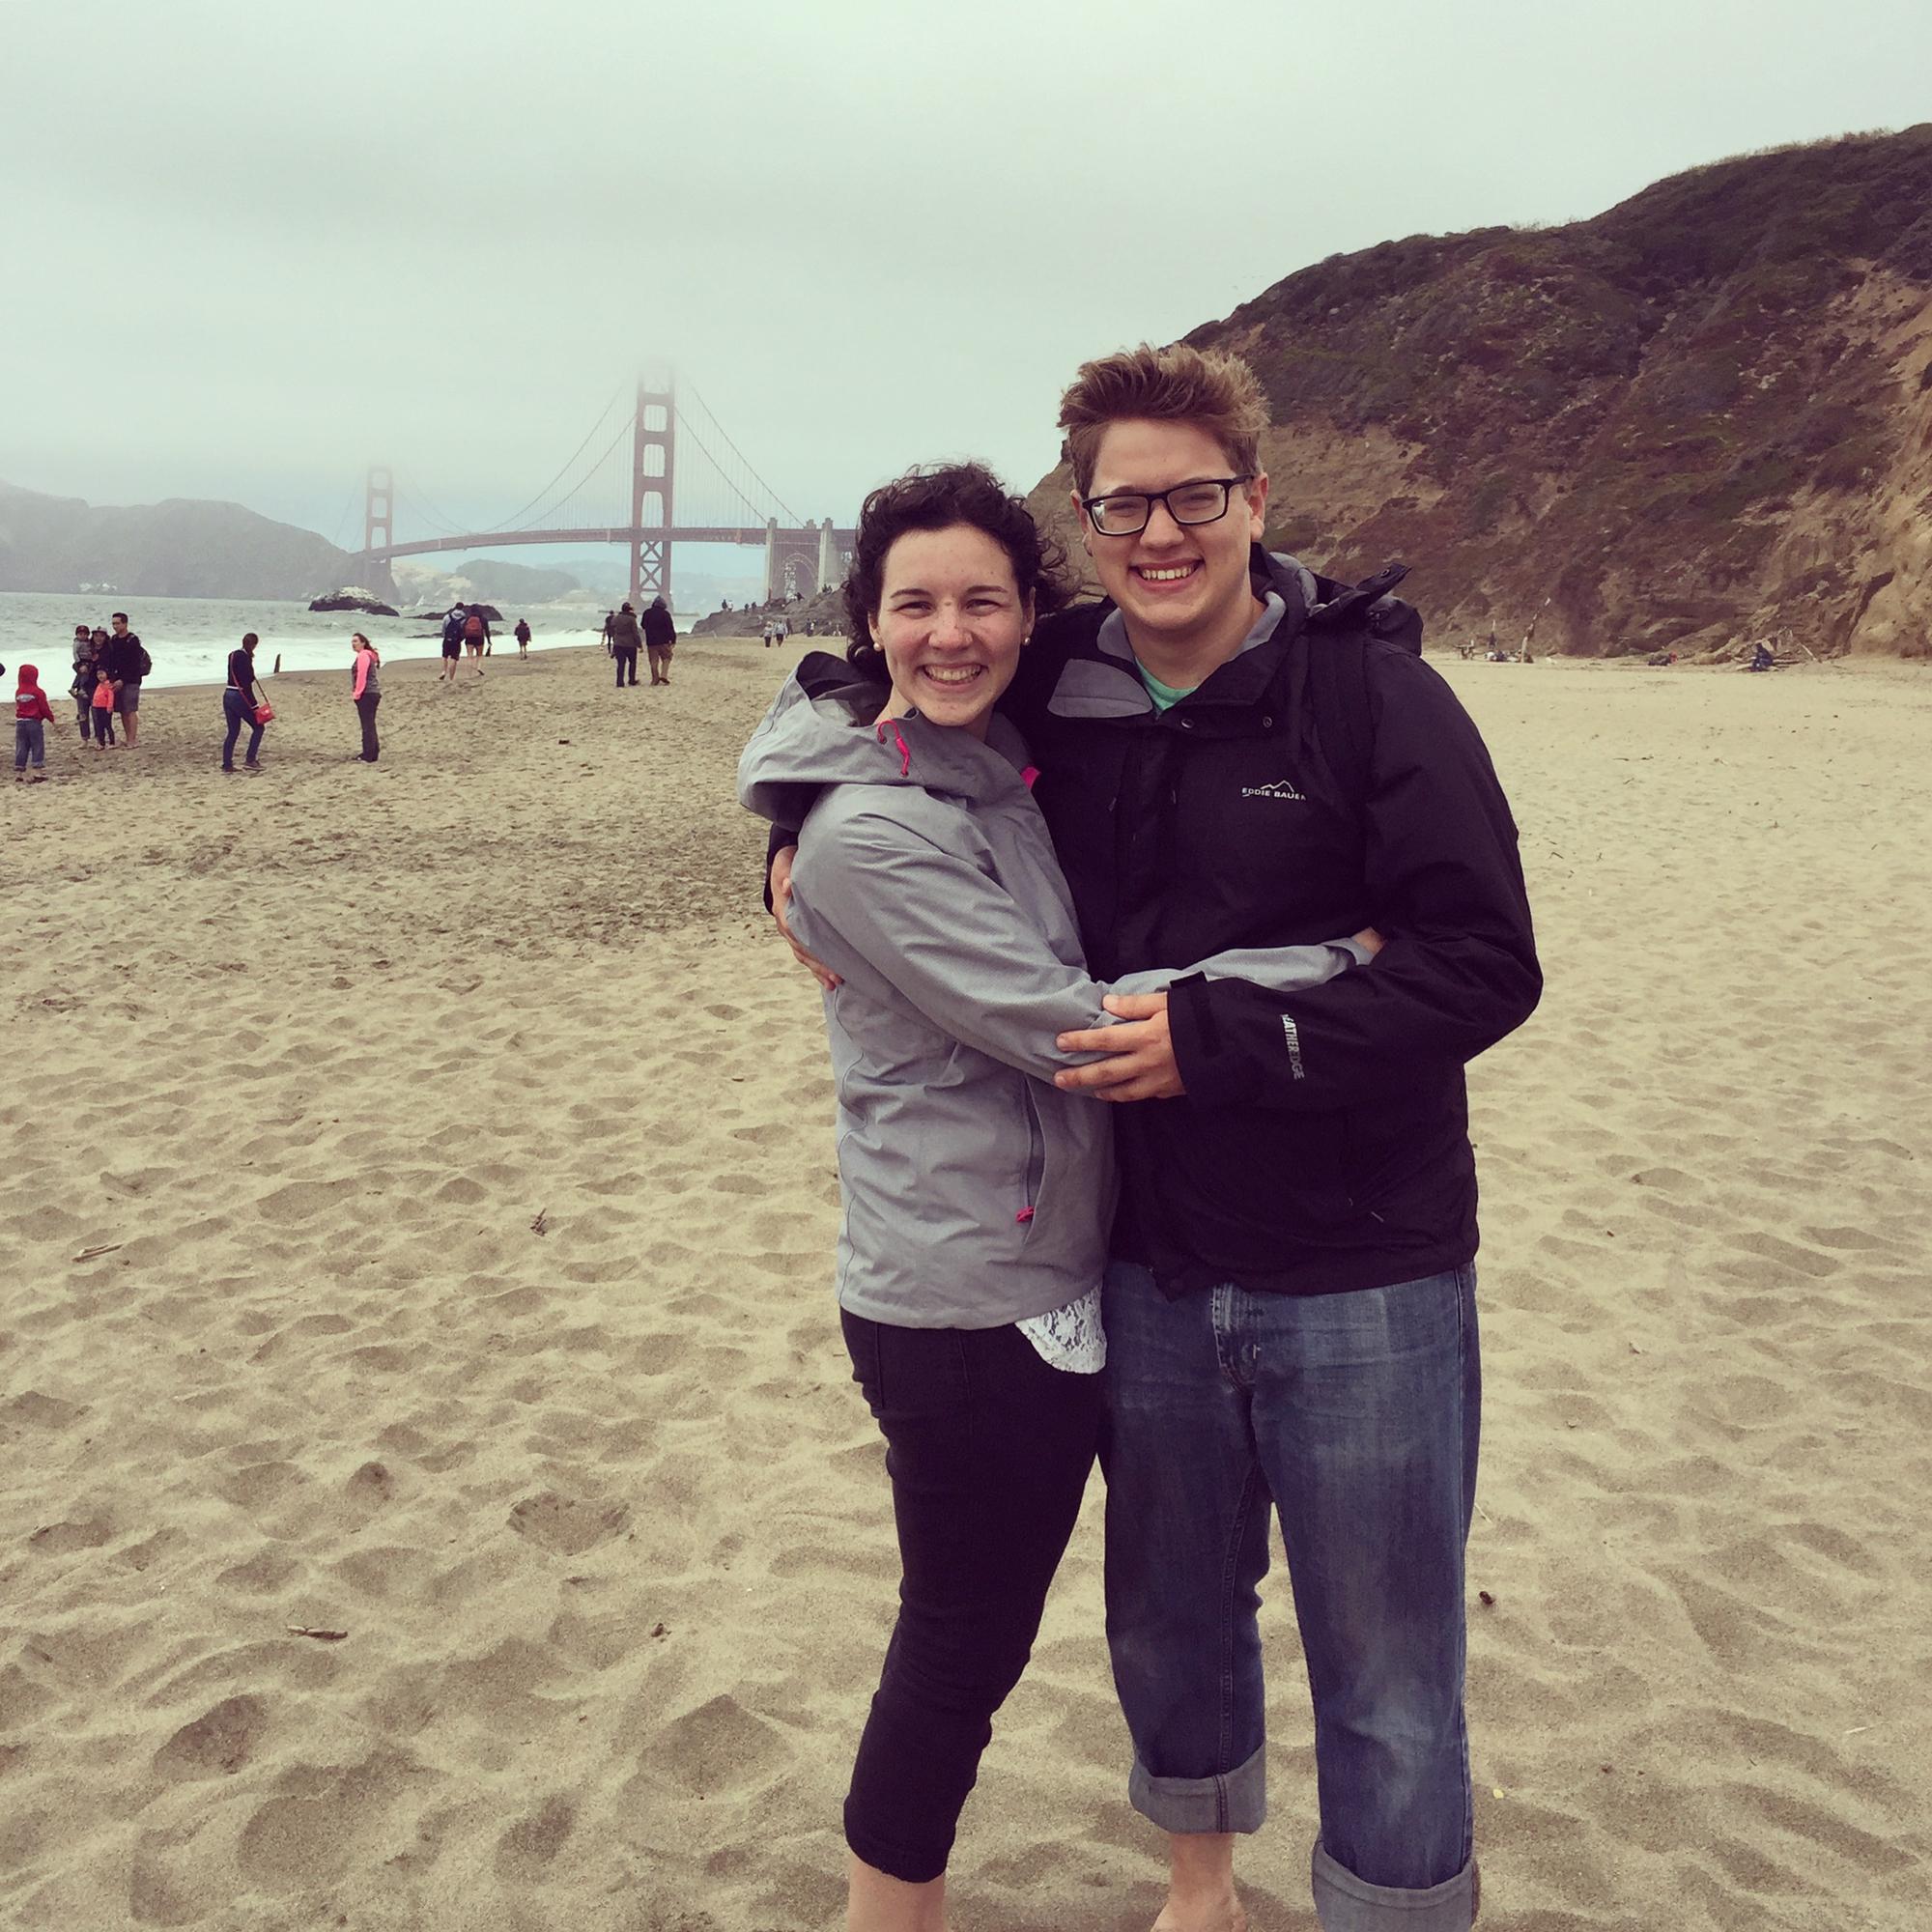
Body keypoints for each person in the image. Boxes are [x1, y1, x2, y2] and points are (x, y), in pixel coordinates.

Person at [771, 345, 1540, 1932]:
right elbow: (868, 699)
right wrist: (786, 856)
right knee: (1174, 1625)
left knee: (1392, 1675)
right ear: (1090, 519)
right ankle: (1202, 1892)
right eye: (1127, 502)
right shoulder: (1059, 674)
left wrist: (1231, 1032)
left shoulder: (1376, 692)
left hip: (1368, 1267)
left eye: (1198, 495)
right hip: (1150, 1267)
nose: (1163, 531)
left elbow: (1483, 967)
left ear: (1255, 500)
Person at [221, 632, 268, 773]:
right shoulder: (245, 658)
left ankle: (227, 764)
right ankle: (250, 760)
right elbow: (247, 684)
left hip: (228, 694)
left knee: (233, 731)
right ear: (254, 645)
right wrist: (255, 706)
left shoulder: (232, 655)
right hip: (239, 696)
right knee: (259, 727)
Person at [101, 612, 148, 747]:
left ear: (125, 624)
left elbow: (134, 664)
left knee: (131, 709)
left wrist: (123, 680)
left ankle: (133, 739)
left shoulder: (132, 640)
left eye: (117, 623)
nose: (115, 626)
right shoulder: (113, 640)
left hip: (132, 680)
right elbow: (111, 660)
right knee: (122, 710)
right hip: (117, 679)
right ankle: (128, 737)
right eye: (113, 623)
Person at [14, 664, 56, 781]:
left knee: (21, 746)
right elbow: (44, 708)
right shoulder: (38, 692)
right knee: (37, 746)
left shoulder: (19, 691)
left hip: (20, 722)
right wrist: (51, 718)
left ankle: (19, 773)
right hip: (34, 722)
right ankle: (37, 773)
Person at [350, 632, 382, 761]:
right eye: (352, 642)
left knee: (367, 725)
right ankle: (373, 752)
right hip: (372, 693)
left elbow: (362, 676)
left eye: (356, 641)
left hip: (367, 693)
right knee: (370, 724)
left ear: (363, 643)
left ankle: (368, 754)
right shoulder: (368, 655)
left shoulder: (363, 655)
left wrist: (357, 693)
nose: (353, 644)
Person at [71, 625, 99, 744]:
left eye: (85, 634)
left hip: (94, 686)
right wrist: (78, 664)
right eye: (80, 634)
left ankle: (99, 737)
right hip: (84, 687)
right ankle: (85, 739)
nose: (83, 636)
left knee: (96, 714)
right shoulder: (77, 644)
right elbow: (75, 659)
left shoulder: (92, 647)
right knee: (82, 714)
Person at [642, 594, 677, 686]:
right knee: (667, 657)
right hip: (664, 641)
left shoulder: (647, 613)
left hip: (651, 641)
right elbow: (670, 628)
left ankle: (655, 679)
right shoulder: (665, 614)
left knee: (653, 661)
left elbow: (643, 625)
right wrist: (673, 640)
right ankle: (664, 675)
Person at [609, 602, 642, 687]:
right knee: (632, 662)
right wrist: (639, 644)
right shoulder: (632, 619)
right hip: (630, 644)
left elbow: (612, 627)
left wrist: (614, 637)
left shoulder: (616, 618)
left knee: (620, 664)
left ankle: (620, 682)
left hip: (618, 643)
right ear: (629, 610)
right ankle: (631, 680)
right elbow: (635, 633)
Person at [89, 665, 117, 748]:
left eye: (102, 673)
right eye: (98, 674)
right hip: (97, 707)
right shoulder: (99, 685)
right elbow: (96, 696)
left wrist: (110, 706)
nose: (100, 676)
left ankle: (112, 742)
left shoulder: (108, 685)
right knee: (99, 726)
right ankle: (102, 743)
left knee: (108, 725)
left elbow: (111, 697)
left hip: (106, 708)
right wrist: (94, 705)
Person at [440, 605, 468, 684]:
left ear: (455, 607)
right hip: (456, 641)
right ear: (462, 608)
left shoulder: (447, 617)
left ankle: (444, 671)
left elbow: (443, 628)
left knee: (444, 656)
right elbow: (464, 630)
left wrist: (444, 636)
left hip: (447, 639)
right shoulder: (464, 619)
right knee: (454, 658)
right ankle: (451, 678)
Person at [463, 606, 490, 673]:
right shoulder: (483, 619)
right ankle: (479, 667)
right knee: (479, 655)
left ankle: (469, 671)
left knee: (470, 656)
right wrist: (489, 640)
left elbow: (463, 628)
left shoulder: (468, 618)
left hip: (469, 639)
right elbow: (487, 631)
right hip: (479, 639)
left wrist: (462, 637)